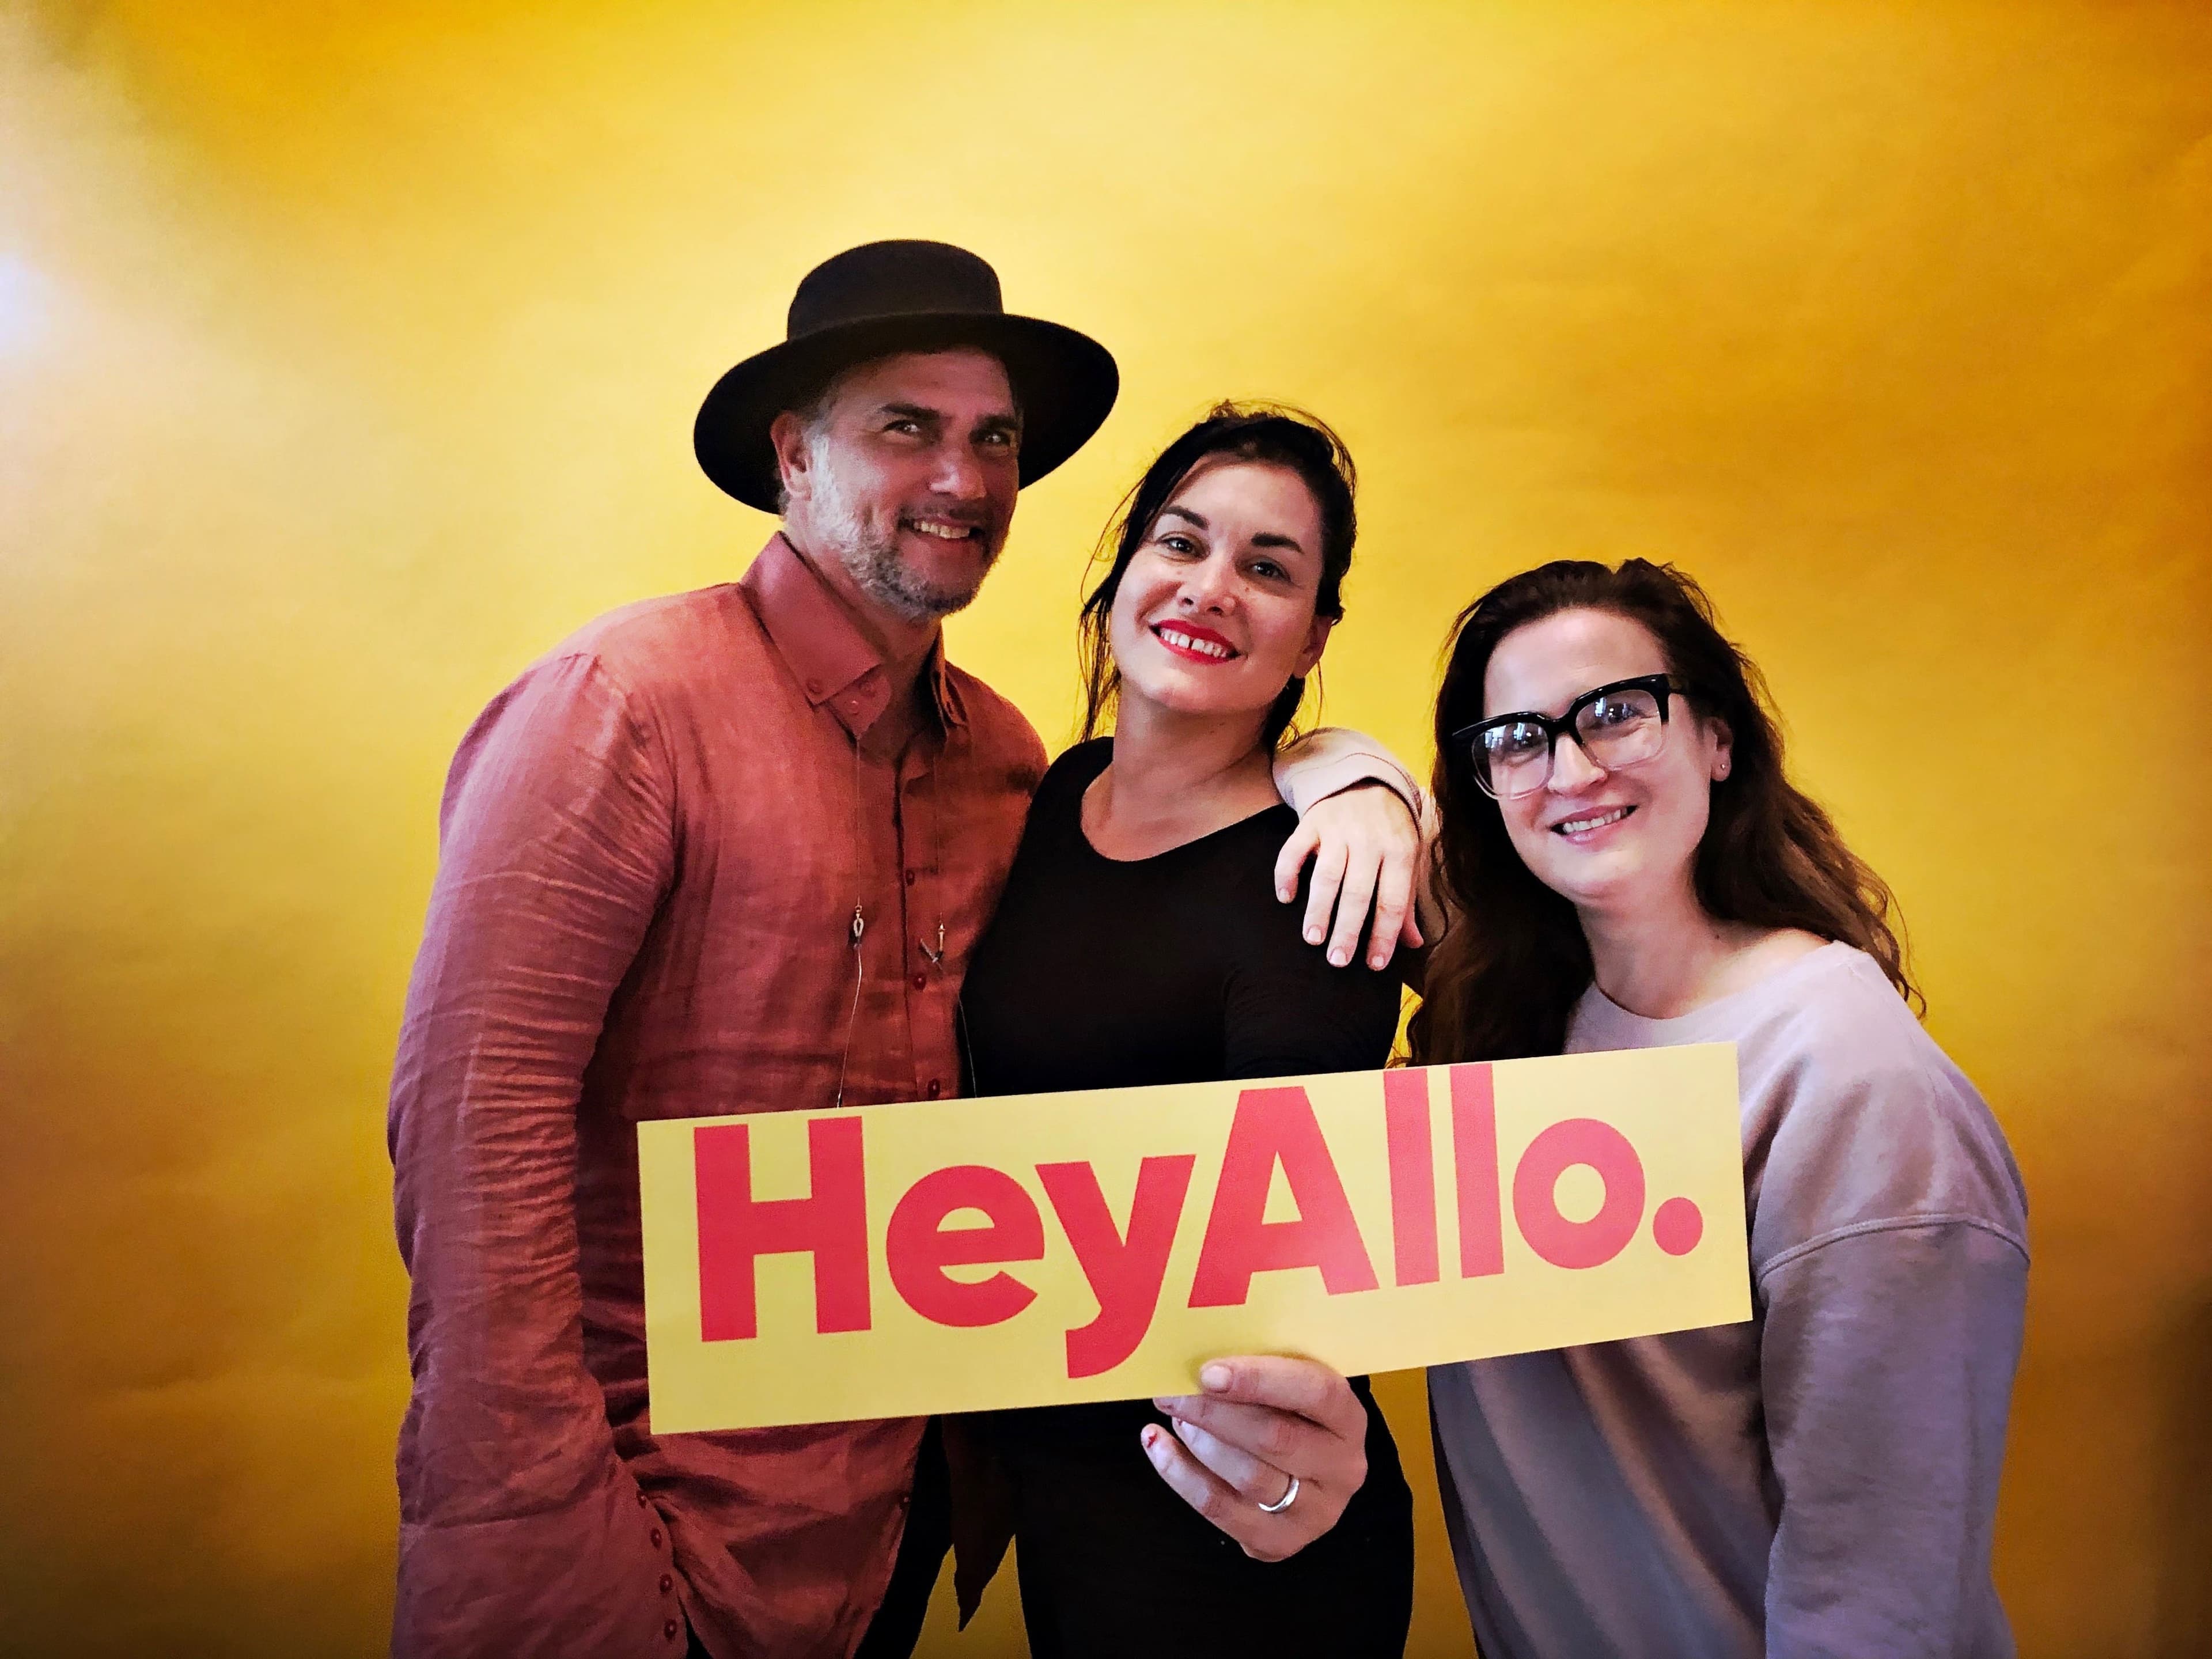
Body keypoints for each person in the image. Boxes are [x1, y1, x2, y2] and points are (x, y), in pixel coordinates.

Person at [384, 240, 1422, 1659]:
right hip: (642, 1529)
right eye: (906, 427)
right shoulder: (620, 707)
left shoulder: (1009, 763)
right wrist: (540, 1529)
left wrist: (1361, 774)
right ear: (793, 455)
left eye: (993, 439)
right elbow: (472, 1131)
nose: (962, 477)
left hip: (902, 1531)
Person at [1410, 559, 2030, 1657]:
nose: (1571, 769)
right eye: (1517, 738)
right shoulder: (1507, 1014)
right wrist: (1347, 783)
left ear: (1717, 741)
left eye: (1617, 713)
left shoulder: (1847, 1077)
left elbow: (1879, 1596)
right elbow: (1288, 766)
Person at [953, 405, 1417, 1658]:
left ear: (1313, 634)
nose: (1212, 588)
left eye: (1268, 567)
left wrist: (1364, 779)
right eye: (1181, 542)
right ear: (1121, 580)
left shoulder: (1322, 873)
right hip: (1058, 1499)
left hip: (1241, 1520)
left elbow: (1299, 1268)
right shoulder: (1056, 795)